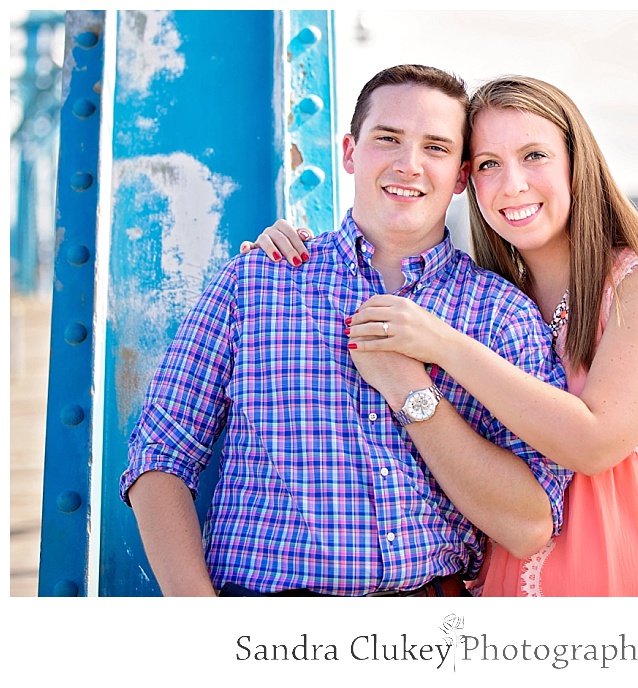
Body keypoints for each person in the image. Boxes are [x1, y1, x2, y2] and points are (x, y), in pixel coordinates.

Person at [248, 75, 638, 596]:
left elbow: (597, 442)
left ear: (578, 163)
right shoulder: (502, 302)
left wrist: (442, 345)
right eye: (489, 164)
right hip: (522, 567)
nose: (512, 185)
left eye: (534, 156)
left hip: (635, 559)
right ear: (468, 179)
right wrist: (289, 246)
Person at [120, 65, 572, 597]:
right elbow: (160, 454)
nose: (409, 165)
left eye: (436, 148)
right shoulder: (257, 281)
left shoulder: (501, 315)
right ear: (350, 151)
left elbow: (527, 526)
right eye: (388, 139)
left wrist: (415, 395)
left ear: (461, 175)